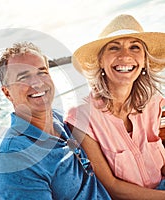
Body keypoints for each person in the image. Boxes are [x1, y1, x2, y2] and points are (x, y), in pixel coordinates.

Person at [0, 42, 111, 199]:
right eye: (23, 77)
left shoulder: (62, 120)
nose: (37, 83)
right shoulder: (12, 159)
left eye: (42, 72)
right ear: (7, 93)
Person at [66, 14, 165, 199]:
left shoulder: (154, 102)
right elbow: (111, 187)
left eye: (134, 47)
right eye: (114, 48)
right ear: (101, 62)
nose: (125, 55)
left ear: (144, 61)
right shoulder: (81, 116)